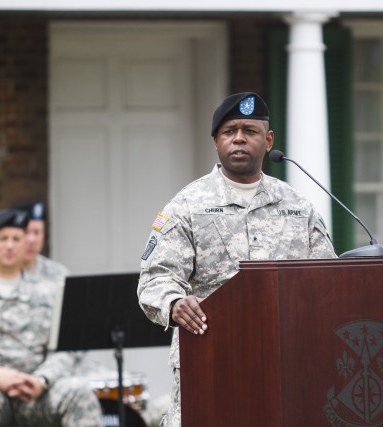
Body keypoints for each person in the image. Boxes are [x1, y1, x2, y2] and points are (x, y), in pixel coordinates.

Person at [137, 92, 337, 426]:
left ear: (268, 139)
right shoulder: (186, 206)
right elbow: (155, 278)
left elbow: (328, 280)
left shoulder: (298, 206)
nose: (239, 138)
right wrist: (174, 303)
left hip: (286, 363)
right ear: (216, 141)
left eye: (250, 130)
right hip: (210, 359)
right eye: (229, 131)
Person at [0, 208, 103, 426]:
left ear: (26, 245)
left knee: (77, 391)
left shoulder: (50, 291)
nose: (10, 245)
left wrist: (42, 379)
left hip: (36, 393)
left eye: (17, 239)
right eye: (3, 239)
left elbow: (67, 348)